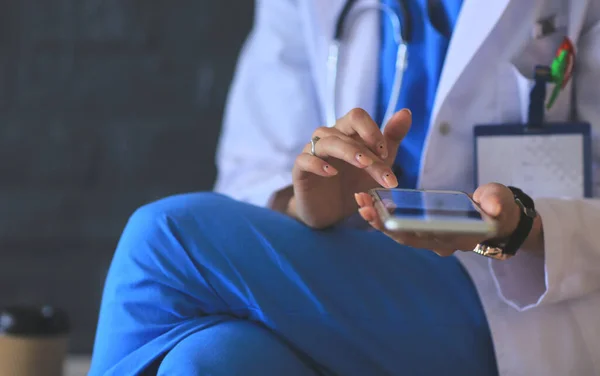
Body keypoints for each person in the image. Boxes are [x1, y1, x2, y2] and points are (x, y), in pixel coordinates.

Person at [89, 1, 600, 375]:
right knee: (213, 360)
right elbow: (251, 163)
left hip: (515, 304)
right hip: (342, 277)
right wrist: (305, 204)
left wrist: (521, 227)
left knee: (165, 238)